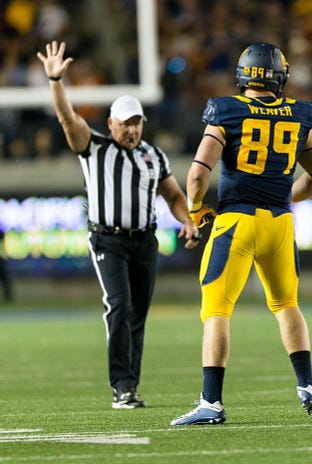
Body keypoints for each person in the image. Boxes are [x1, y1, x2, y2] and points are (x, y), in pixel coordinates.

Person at [171, 42, 312, 426]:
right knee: (286, 305)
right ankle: (307, 387)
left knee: (217, 311)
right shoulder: (299, 114)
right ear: (280, 77)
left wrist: (194, 211)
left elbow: (196, 174)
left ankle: (211, 403)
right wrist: (282, 199)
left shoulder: (227, 112)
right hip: (279, 223)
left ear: (243, 74)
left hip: (236, 221)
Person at [36, 41, 199, 409]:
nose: (132, 129)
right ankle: (121, 385)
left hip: (145, 241)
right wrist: (56, 81)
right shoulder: (94, 147)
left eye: (137, 122)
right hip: (108, 239)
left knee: (137, 315)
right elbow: (67, 118)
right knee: (120, 305)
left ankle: (130, 387)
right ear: (111, 124)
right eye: (126, 123)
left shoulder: (153, 156)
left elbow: (173, 195)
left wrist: (187, 220)